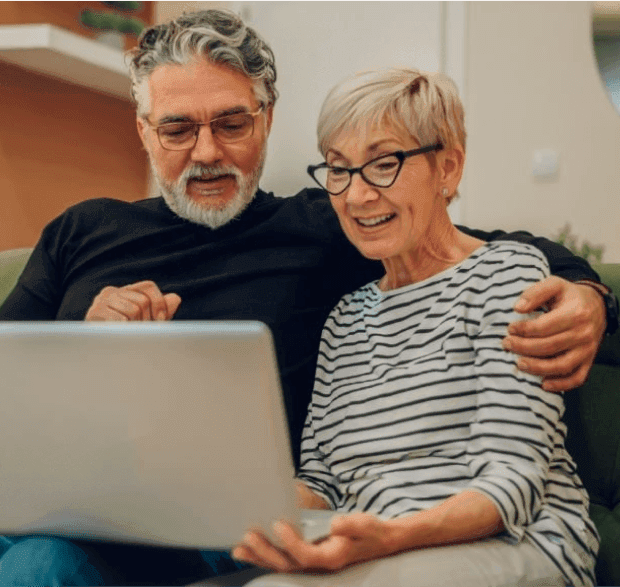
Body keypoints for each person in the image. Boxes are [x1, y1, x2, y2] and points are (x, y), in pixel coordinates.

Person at [0, 10, 612, 586]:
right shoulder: (78, 233)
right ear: (143, 130)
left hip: (205, 516)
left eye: (230, 124)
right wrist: (81, 344)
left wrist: (588, 295)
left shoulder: (331, 225)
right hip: (47, 497)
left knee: (43, 569)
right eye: (178, 129)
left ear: (267, 120)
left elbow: (483, 248)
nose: (207, 151)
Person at [231, 68, 598, 587]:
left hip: (520, 546)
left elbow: (513, 483)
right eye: (339, 169)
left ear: (447, 167)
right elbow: (320, 480)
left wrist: (390, 538)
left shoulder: (507, 275)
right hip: (380, 556)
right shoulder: (344, 320)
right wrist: (245, 510)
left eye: (383, 164)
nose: (357, 196)